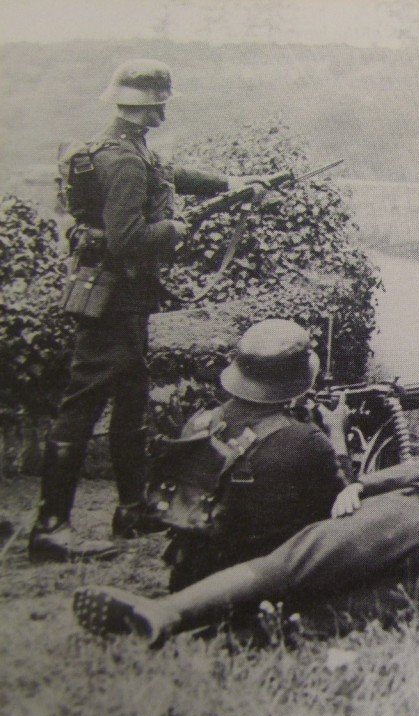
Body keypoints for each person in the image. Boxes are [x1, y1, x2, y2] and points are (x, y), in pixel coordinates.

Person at [29, 59, 259, 562]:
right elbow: (127, 239)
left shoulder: (124, 147)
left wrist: (232, 182)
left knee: (131, 404)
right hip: (112, 301)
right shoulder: (125, 161)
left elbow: (170, 174)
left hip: (124, 300)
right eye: (160, 104)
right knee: (81, 408)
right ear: (151, 106)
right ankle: (50, 528)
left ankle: (134, 510)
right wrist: (174, 230)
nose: (163, 112)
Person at [72, 445, 419, 647]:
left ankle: (174, 617)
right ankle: (208, 634)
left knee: (288, 573)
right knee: (328, 613)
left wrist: (366, 484)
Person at [157, 318, 348, 590]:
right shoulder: (307, 441)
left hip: (193, 580)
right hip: (263, 586)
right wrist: (337, 434)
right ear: (296, 380)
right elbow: (346, 508)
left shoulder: (200, 423)